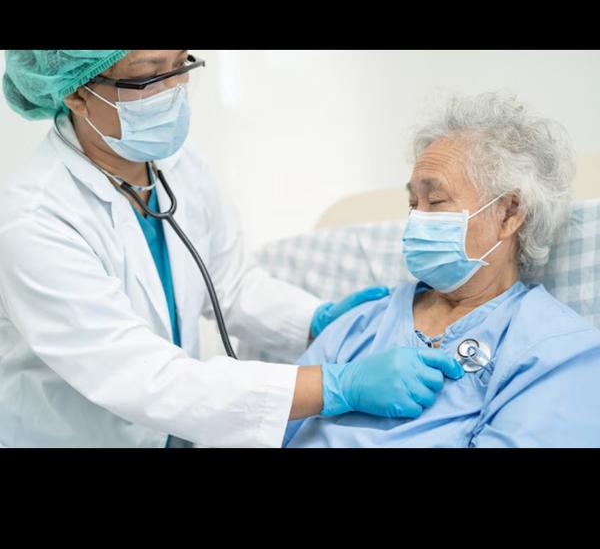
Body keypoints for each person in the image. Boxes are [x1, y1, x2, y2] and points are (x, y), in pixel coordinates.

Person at [0, 50, 463, 448]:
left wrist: (315, 320)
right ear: (76, 93)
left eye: (181, 64)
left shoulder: (173, 164)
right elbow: (143, 377)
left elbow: (231, 286)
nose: (174, 89)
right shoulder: (35, 220)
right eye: (148, 75)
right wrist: (335, 386)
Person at [285, 92, 600, 448]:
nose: (416, 219)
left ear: (509, 214)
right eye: (412, 204)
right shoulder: (360, 323)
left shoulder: (556, 349)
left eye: (435, 201)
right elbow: (264, 424)